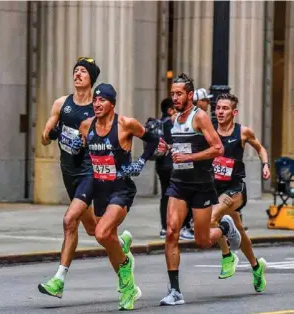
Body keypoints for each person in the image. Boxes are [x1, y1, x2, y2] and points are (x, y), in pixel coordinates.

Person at [38, 58, 132, 299]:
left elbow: (110, 137)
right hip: (69, 171)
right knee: (93, 228)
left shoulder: (97, 108)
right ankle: (121, 246)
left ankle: (59, 280)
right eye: (76, 71)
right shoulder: (62, 104)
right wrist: (52, 133)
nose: (78, 74)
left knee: (70, 220)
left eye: (83, 72)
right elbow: (44, 138)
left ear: (92, 79)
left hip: (90, 171)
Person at [157, 73, 242, 306]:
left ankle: (224, 227)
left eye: (179, 93)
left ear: (190, 95)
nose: (174, 97)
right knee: (172, 231)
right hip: (178, 183)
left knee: (202, 241)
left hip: (201, 186)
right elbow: (179, 145)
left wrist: (189, 156)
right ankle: (175, 291)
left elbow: (218, 148)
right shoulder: (174, 119)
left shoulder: (200, 117)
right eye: (172, 93)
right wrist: (167, 148)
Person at [78, 83, 161, 310]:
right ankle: (129, 287)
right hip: (100, 191)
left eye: (102, 100)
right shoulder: (86, 126)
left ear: (112, 104)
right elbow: (84, 154)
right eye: (95, 100)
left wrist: (141, 161)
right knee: (106, 239)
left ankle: (125, 270)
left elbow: (153, 139)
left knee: (102, 233)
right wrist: (77, 147)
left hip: (121, 189)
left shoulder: (125, 124)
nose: (97, 104)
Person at [210, 93, 269, 293]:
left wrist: (265, 165)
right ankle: (256, 266)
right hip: (214, 188)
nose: (220, 111)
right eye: (218, 108)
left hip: (235, 189)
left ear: (234, 112)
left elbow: (261, 148)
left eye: (225, 108)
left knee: (213, 217)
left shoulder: (242, 132)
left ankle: (227, 256)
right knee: (240, 230)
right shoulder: (209, 130)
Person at [152, 98, 194, 240]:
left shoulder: (158, 124)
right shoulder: (173, 123)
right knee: (180, 195)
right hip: (174, 164)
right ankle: (181, 227)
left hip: (161, 165)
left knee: (165, 196)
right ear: (170, 110)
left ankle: (165, 228)